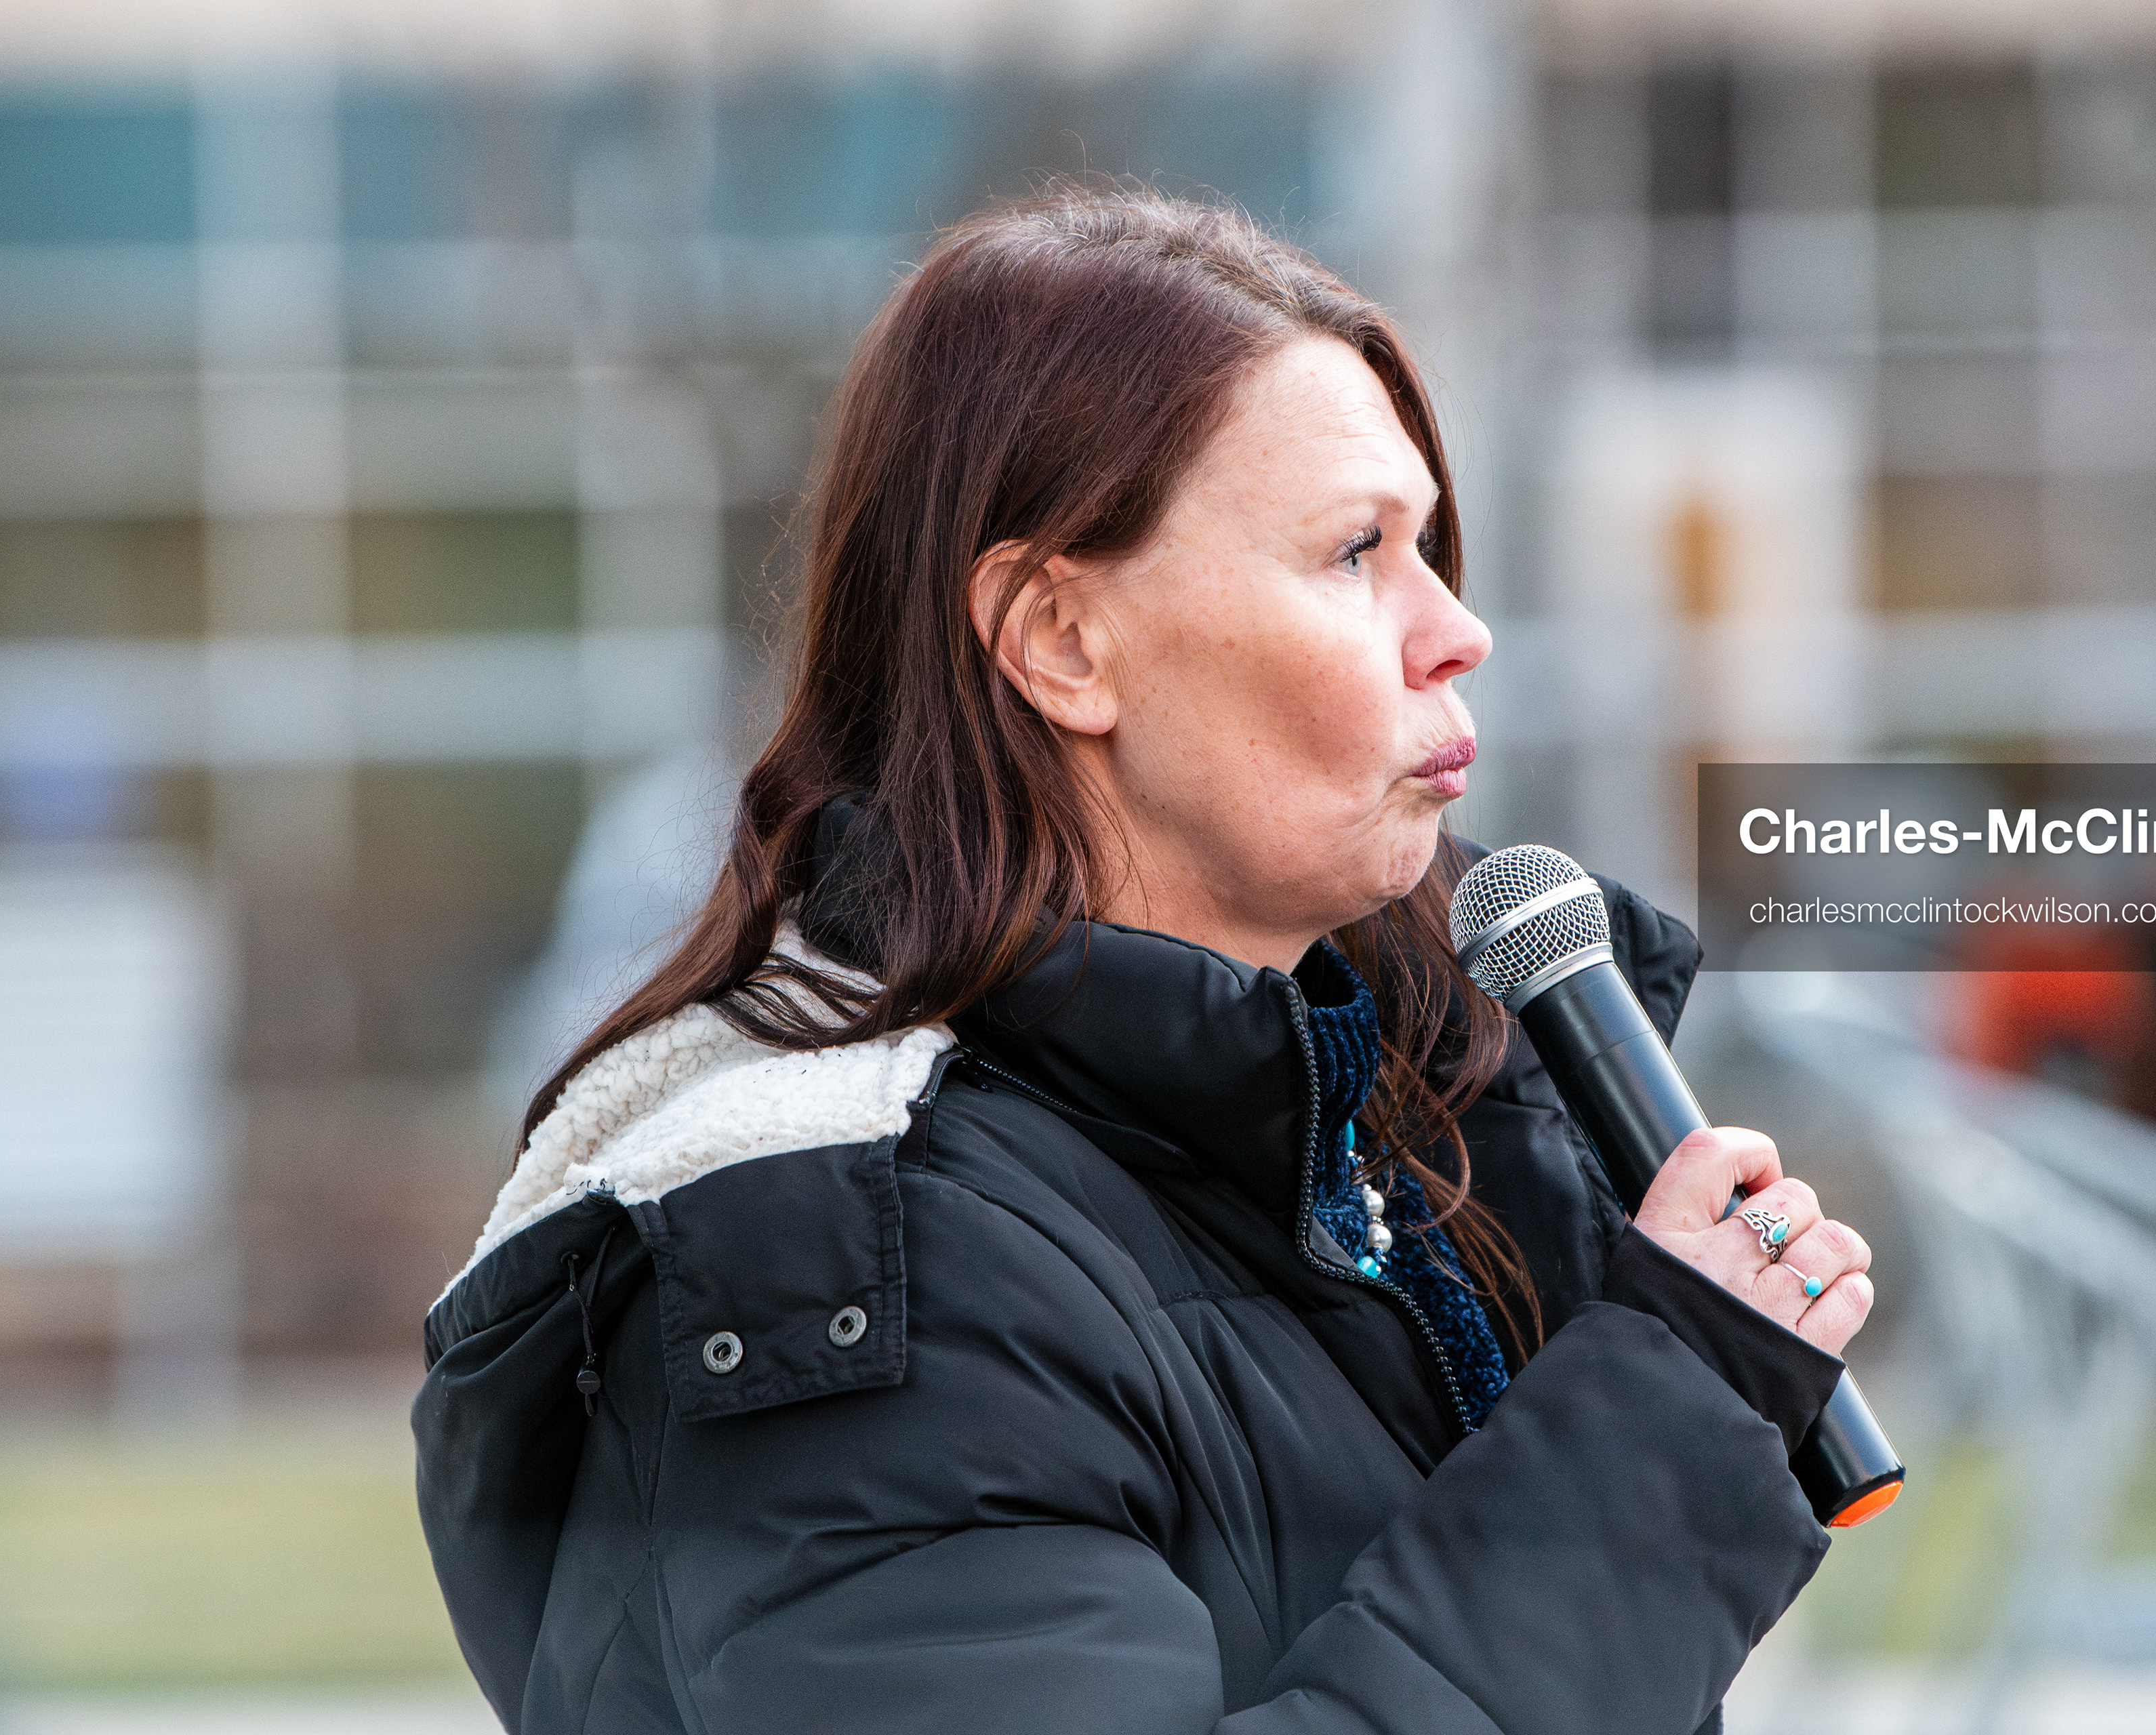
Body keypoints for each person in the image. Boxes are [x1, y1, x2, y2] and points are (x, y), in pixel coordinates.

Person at [413, 184, 1875, 1735]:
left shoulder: (1372, 1143)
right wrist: (1655, 1429)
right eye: (1354, 552)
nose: (1457, 629)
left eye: (1433, 546)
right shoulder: (870, 1293)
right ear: (1061, 640)